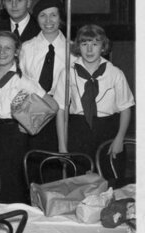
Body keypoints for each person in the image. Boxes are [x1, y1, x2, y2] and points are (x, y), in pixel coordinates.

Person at [54, 25, 134, 184]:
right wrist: (62, 146)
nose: (89, 50)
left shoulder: (115, 73)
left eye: (95, 44)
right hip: (78, 132)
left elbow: (126, 109)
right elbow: (60, 111)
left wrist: (120, 139)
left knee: (110, 182)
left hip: (108, 131)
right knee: (79, 184)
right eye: (84, 44)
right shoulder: (68, 73)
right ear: (78, 47)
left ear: (103, 46)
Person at [0, 31, 47, 203]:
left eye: (8, 48)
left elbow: (52, 105)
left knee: (13, 183)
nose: (2, 52)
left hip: (14, 136)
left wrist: (29, 124)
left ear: (17, 52)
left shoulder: (24, 80)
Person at [20, 0, 67, 153]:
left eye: (53, 15)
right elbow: (19, 83)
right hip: (32, 112)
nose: (48, 21)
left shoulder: (72, 50)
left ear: (60, 18)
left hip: (62, 114)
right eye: (42, 15)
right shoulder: (27, 48)